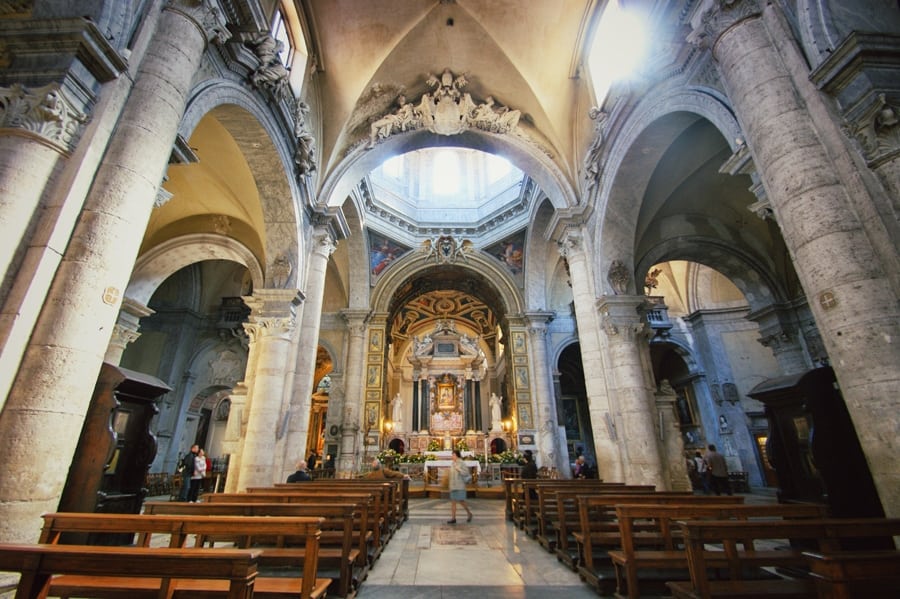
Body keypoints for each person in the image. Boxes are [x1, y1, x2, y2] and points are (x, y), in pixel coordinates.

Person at [446, 449, 473, 524]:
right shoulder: (453, 463)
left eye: (453, 455)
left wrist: (459, 470)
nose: (452, 456)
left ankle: (469, 513)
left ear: (457, 455)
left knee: (462, 501)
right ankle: (453, 518)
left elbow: (466, 472)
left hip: (460, 485)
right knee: (453, 502)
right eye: (452, 455)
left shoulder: (461, 463)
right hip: (453, 485)